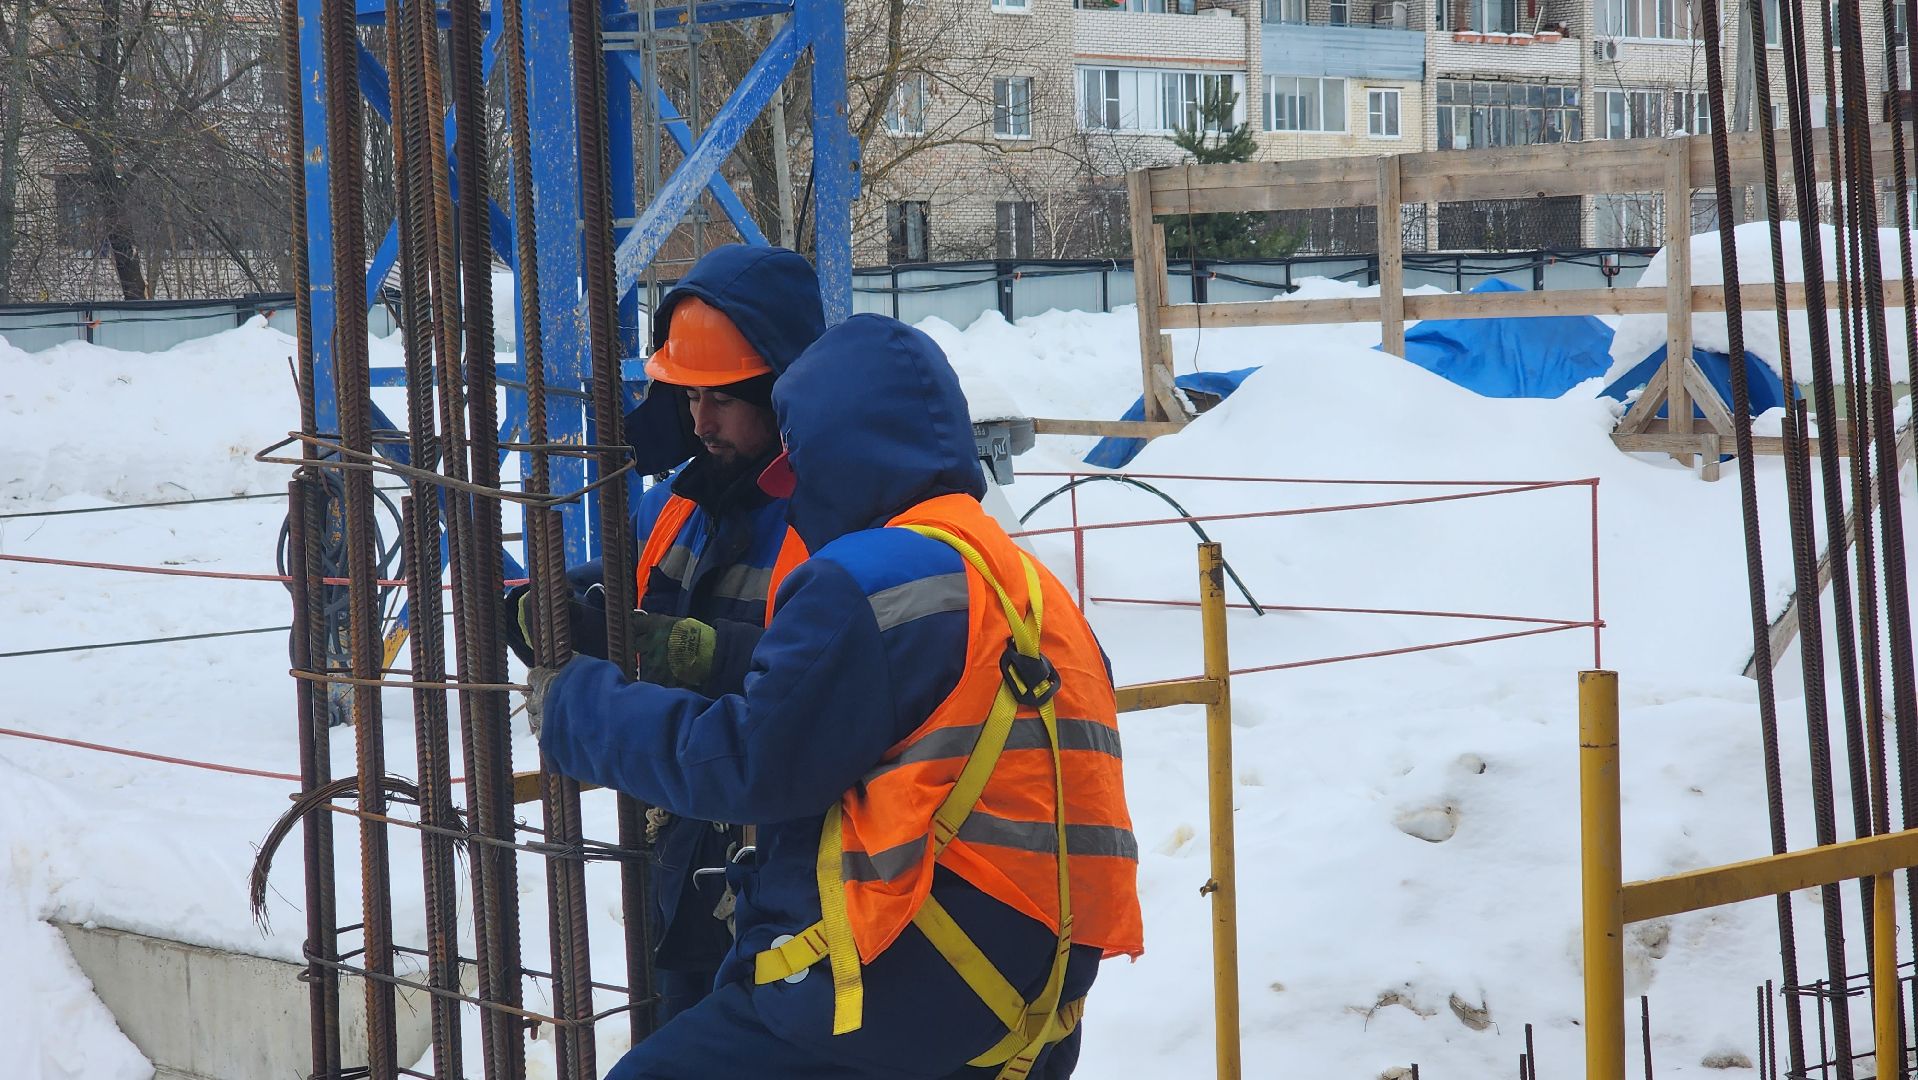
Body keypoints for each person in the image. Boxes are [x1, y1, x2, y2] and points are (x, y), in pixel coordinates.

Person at [527, 314, 1143, 1079]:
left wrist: (577, 706)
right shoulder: (1028, 588)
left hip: (902, 981)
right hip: (1036, 998)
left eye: (805, 474)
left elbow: (748, 762)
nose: (799, 502)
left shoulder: (866, 579)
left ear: (839, 458)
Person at [505, 243, 822, 1022]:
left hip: (793, 873)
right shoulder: (679, 501)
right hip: (684, 859)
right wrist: (542, 608)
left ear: (778, 391)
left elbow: (816, 689)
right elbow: (618, 585)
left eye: (721, 398)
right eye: (686, 397)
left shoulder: (829, 517)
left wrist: (685, 650)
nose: (698, 420)